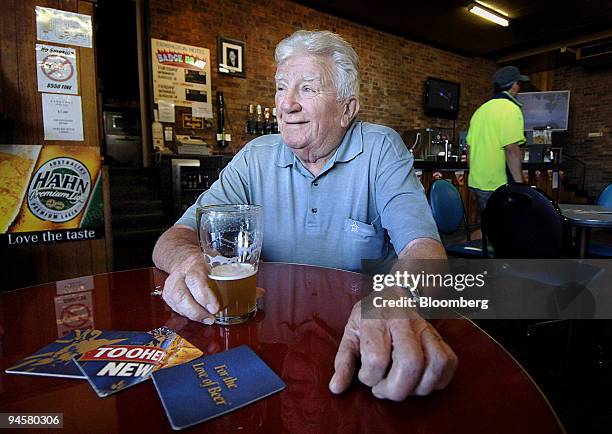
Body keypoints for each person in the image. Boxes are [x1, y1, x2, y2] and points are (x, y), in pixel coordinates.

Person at [153, 30, 457, 401]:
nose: (287, 104)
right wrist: (187, 261)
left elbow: (425, 251)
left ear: (348, 108)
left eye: (308, 89)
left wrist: (391, 298)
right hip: (272, 338)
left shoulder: (380, 148)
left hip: (363, 335)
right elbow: (173, 238)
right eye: (281, 88)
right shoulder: (255, 157)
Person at [467, 66, 528, 221]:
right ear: (513, 85)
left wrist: (474, 175)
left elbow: (469, 149)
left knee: (488, 225)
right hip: (498, 184)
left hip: (477, 182)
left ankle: (479, 244)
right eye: (518, 84)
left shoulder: (481, 110)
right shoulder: (510, 108)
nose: (519, 88)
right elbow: (511, 149)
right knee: (506, 228)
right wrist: (520, 185)